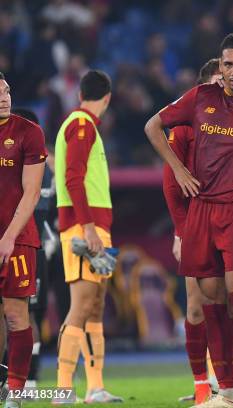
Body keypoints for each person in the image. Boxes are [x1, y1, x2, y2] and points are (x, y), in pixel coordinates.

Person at [145, 32, 233, 408]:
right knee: (211, 303)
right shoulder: (200, 98)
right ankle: (226, 391)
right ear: (219, 67)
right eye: (228, 64)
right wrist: (178, 170)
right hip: (202, 211)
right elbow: (152, 126)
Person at [54, 70, 122, 403]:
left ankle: (95, 387)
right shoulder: (82, 125)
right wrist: (89, 227)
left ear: (82, 93)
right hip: (85, 228)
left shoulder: (82, 125)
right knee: (80, 307)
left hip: (95, 226)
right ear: (107, 98)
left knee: (94, 307)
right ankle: (63, 388)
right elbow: (73, 179)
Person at [164, 59, 219, 405]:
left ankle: (230, 381)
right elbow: (172, 183)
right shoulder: (185, 124)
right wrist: (181, 232)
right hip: (197, 224)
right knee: (197, 307)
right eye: (215, 83)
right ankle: (202, 385)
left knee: (231, 304)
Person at [0, 72, 47, 408]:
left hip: (17, 240)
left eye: (6, 91)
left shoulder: (29, 132)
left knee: (17, 316)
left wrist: (9, 237)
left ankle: (15, 393)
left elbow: (31, 192)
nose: (4, 97)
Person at [11, 108, 54, 391]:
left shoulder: (43, 168)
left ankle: (31, 376)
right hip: (23, 241)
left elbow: (41, 205)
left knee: (29, 312)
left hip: (33, 244)